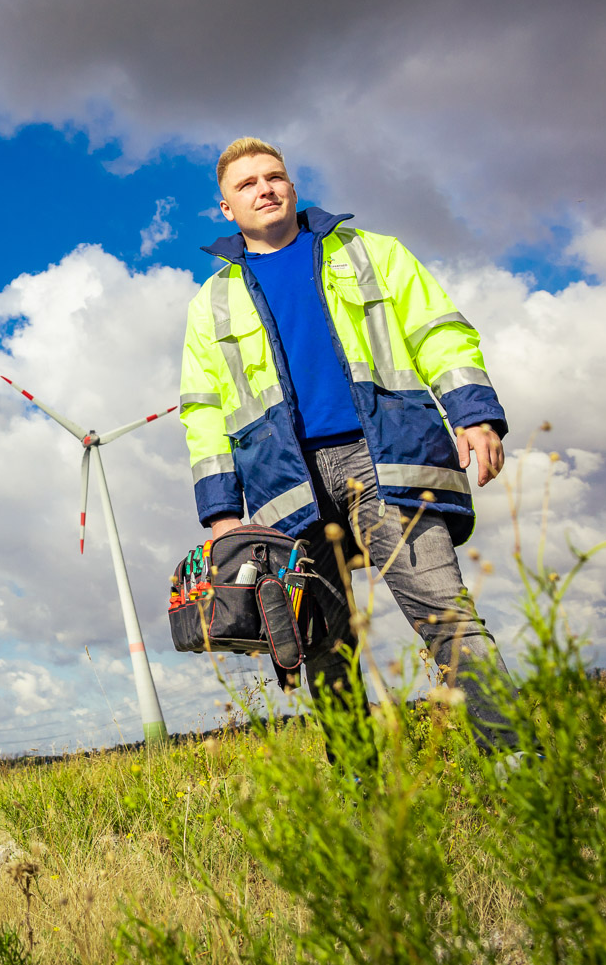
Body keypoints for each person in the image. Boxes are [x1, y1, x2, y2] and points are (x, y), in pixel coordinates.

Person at [178, 137, 515, 761]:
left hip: (382, 456)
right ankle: (361, 788)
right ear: (226, 209)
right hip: (285, 486)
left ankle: (519, 761)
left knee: (447, 617)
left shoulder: (372, 253)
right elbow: (203, 411)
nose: (265, 189)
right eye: (247, 185)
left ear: (293, 187)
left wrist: (474, 414)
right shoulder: (210, 303)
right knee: (323, 648)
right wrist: (223, 512)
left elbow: (437, 330)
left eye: (274, 177)